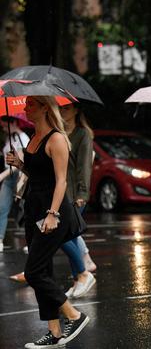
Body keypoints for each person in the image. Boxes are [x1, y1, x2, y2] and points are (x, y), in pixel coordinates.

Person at [6, 96, 89, 348]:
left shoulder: (57, 138)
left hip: (53, 211)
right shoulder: (33, 138)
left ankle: (75, 315)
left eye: (31, 104)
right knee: (43, 271)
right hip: (33, 208)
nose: (26, 108)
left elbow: (61, 181)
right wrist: (20, 164)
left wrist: (53, 214)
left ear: (44, 107)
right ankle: (54, 333)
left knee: (32, 272)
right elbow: (38, 175)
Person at [59, 102, 97, 298]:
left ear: (75, 110)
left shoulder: (83, 134)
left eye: (65, 108)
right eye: (61, 108)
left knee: (61, 236)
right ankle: (77, 279)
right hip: (60, 193)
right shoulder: (59, 132)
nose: (62, 111)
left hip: (75, 195)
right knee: (70, 236)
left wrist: (83, 194)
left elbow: (85, 167)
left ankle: (83, 274)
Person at [0, 114, 30, 252]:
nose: (3, 127)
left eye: (5, 125)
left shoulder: (23, 138)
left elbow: (20, 163)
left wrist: (2, 175)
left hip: (20, 177)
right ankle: (0, 239)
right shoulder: (9, 138)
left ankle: (33, 241)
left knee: (26, 211)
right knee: (2, 207)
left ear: (12, 122)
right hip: (9, 177)